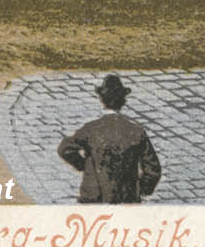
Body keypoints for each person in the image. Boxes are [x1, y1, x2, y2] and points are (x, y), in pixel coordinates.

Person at [57, 73, 163, 204]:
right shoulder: (136, 131)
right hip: (126, 199)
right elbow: (153, 169)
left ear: (102, 100)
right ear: (123, 101)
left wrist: (83, 165)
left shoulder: (91, 129)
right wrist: (140, 190)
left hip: (94, 198)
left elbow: (64, 149)